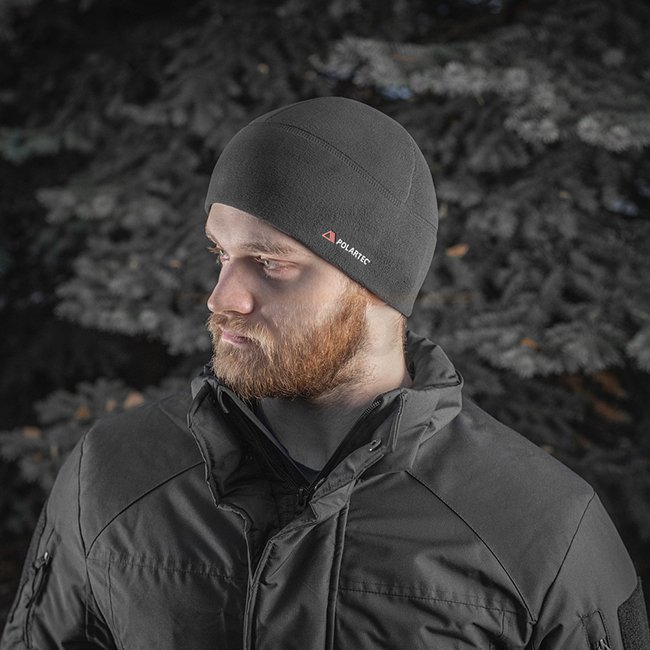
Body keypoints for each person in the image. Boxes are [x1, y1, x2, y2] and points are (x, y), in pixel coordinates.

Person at [2, 96, 648, 650]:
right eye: (220, 253)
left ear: (377, 283)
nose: (223, 297)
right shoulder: (114, 474)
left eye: (270, 262)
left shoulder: (541, 526)